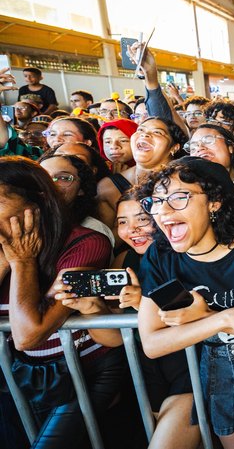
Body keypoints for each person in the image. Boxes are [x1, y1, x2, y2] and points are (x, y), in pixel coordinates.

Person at [136, 157, 234, 449]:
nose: (164, 210)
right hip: (219, 371)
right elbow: (152, 343)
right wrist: (224, 318)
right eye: (157, 201)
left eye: (179, 197)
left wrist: (203, 314)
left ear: (214, 202)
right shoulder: (160, 255)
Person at [0, 156, 120, 449]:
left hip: (85, 371)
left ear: (37, 202)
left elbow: (29, 334)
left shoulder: (86, 242)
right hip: (24, 373)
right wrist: (5, 260)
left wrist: (23, 262)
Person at [107, 190, 201, 449]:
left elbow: (194, 316)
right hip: (147, 369)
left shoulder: (185, 255)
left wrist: (143, 304)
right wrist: (91, 309)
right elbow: (115, 334)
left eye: (142, 219)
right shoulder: (123, 261)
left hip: (189, 365)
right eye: (122, 222)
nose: (132, 229)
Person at [39, 152, 115, 247]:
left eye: (63, 178)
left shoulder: (94, 232)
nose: (49, 184)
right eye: (42, 176)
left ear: (81, 189)